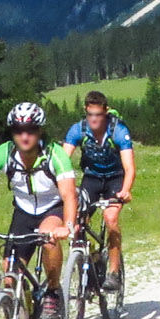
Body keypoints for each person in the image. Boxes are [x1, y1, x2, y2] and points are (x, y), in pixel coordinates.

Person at [0, 101, 77, 319]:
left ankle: (52, 292)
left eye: (30, 130)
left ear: (39, 130)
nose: (24, 136)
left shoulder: (56, 154)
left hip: (52, 208)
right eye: (18, 130)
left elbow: (69, 195)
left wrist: (67, 226)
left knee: (48, 237)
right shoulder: (3, 154)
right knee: (9, 278)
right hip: (23, 212)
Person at [64, 91, 136, 294]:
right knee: (77, 222)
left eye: (98, 114)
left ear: (105, 112)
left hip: (115, 178)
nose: (94, 119)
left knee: (111, 219)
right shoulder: (78, 130)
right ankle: (90, 262)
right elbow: (62, 161)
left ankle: (114, 272)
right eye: (90, 114)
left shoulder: (119, 131)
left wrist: (125, 190)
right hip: (92, 178)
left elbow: (129, 168)